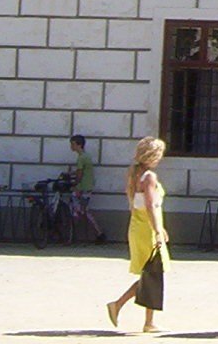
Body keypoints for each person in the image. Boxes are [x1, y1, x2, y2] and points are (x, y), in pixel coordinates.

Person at [106, 137, 170, 334]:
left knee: (151, 273)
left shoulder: (135, 173)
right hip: (147, 228)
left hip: (138, 225)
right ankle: (121, 306)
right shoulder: (149, 176)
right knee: (152, 271)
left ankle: (142, 317)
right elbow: (151, 205)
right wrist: (158, 230)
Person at [69, 135, 107, 243]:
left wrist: (74, 184)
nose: (71, 146)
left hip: (82, 187)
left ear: (79, 145)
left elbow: (80, 174)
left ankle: (75, 231)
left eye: (73, 144)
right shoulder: (86, 156)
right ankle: (97, 232)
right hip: (88, 187)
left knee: (79, 209)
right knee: (84, 210)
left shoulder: (81, 158)